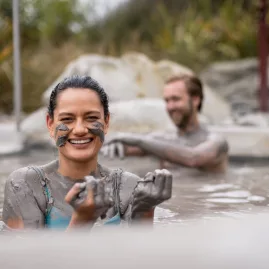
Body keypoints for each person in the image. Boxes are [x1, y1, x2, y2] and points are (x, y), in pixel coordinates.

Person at [2, 75, 172, 230]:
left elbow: (139, 259)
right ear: (50, 124)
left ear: (106, 122)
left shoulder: (127, 187)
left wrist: (144, 211)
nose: (80, 129)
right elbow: (28, 260)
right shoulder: (27, 185)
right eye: (67, 119)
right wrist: (82, 220)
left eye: (91, 118)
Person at [101, 74, 229, 173]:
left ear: (195, 100)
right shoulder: (162, 139)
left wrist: (135, 139)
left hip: (203, 204)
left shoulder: (216, 142)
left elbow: (193, 158)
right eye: (167, 101)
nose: (170, 107)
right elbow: (125, 149)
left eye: (175, 99)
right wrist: (115, 145)